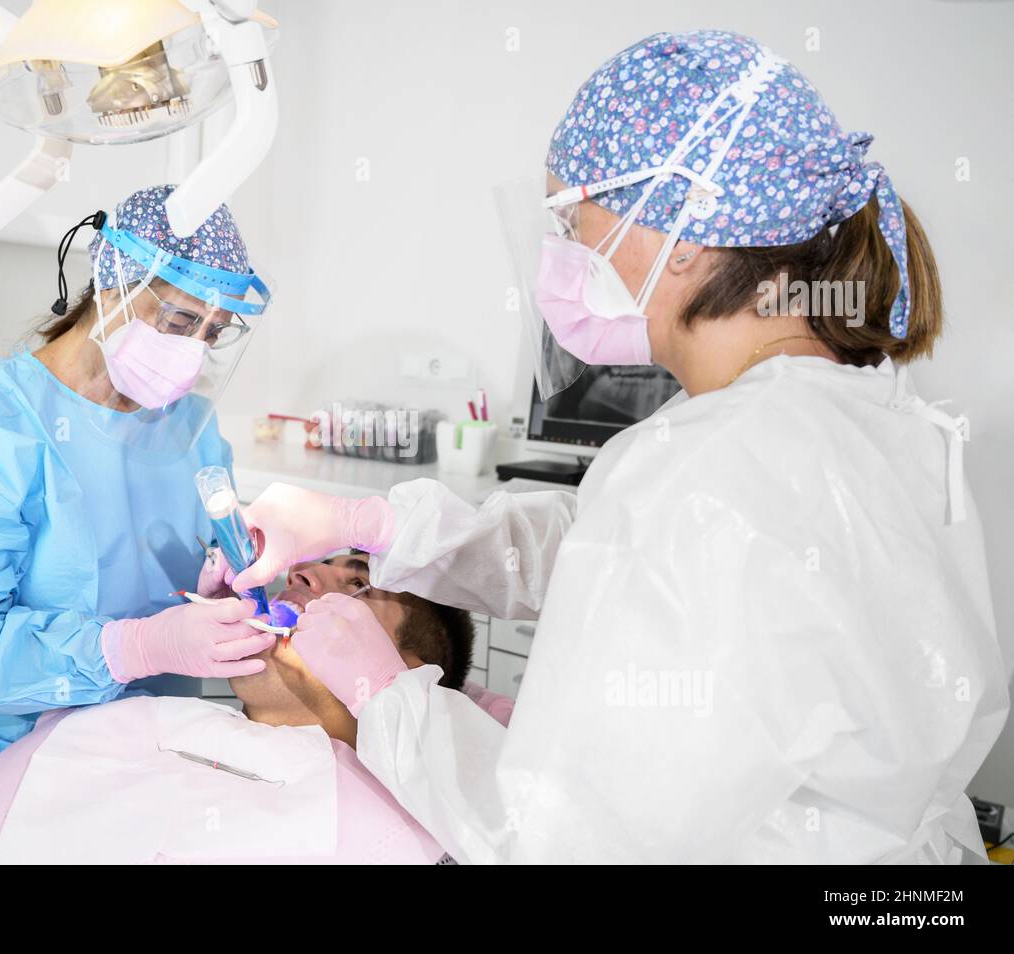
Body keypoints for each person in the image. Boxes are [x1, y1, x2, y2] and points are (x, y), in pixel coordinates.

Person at [226, 31, 1009, 863]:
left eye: (571, 213)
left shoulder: (715, 465)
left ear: (688, 233)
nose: (558, 245)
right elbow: (623, 551)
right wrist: (379, 525)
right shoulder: (865, 413)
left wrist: (386, 698)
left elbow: (558, 839)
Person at [0, 185, 276, 845]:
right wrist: (133, 647)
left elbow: (196, 559)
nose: (193, 352)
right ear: (110, 283)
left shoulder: (190, 428)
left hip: (136, 772)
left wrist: (218, 575)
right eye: (177, 321)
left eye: (213, 332)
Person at [0, 557, 491, 864]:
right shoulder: (112, 723)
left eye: (358, 588)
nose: (305, 572)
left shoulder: (411, 823)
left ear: (405, 676)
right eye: (319, 562)